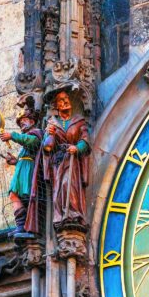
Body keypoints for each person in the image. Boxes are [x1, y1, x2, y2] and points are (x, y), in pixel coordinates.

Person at [42, 91, 91, 229]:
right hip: (58, 161)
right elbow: (47, 148)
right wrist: (50, 135)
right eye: (61, 100)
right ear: (56, 105)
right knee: (59, 188)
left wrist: (77, 148)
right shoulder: (52, 123)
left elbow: (85, 140)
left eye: (67, 98)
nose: (65, 101)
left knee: (68, 184)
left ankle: (73, 213)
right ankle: (61, 215)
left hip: (72, 160)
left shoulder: (78, 121)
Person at [0, 109, 42, 236]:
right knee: (13, 195)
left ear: (32, 121)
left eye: (24, 121)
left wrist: (12, 135)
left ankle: (30, 226)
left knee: (26, 196)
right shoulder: (25, 140)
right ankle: (21, 225)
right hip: (22, 169)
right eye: (20, 123)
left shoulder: (37, 133)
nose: (21, 124)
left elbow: (33, 142)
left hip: (29, 170)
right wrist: (15, 161)